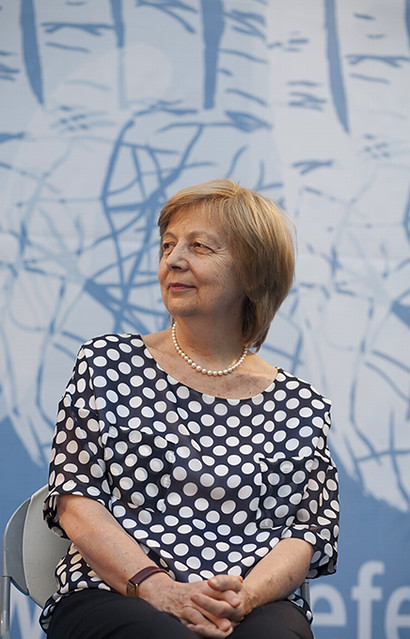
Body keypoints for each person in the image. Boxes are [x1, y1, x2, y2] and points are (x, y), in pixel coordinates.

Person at [40, 179, 339, 639]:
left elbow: (306, 533)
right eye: (168, 245)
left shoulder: (301, 405)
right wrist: (157, 587)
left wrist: (244, 598)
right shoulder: (107, 364)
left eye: (199, 246)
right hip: (118, 591)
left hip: (250, 602)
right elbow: (75, 500)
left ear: (253, 273)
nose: (174, 260)